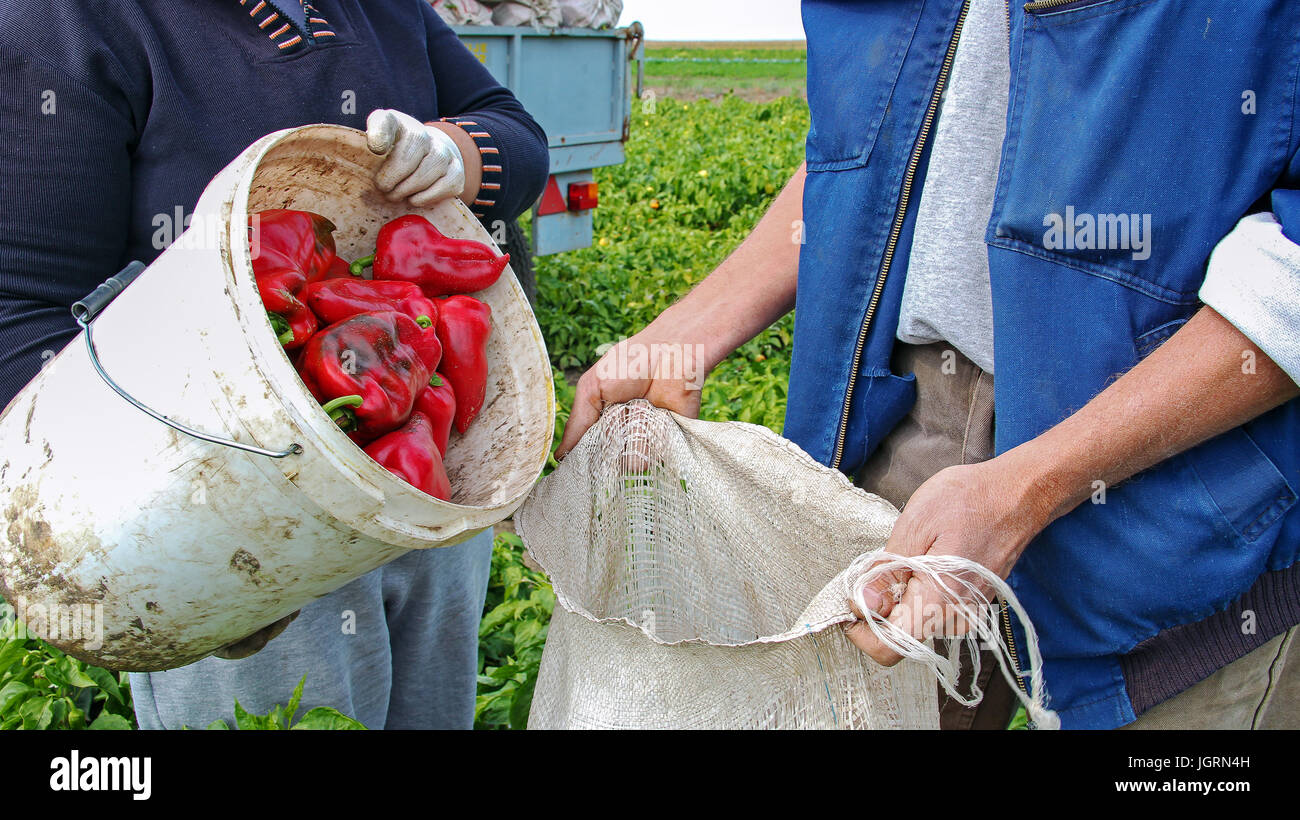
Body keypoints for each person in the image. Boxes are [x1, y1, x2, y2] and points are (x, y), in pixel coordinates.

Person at [557, 0, 1300, 730]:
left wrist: (1031, 486)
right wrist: (689, 330)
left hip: (1189, 448)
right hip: (921, 413)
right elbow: (868, 153)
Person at [0, 0, 548, 729]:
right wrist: (158, 557)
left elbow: (515, 133)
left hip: (420, 470)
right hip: (224, 502)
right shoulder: (64, 23)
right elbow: (25, 320)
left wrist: (457, 151)